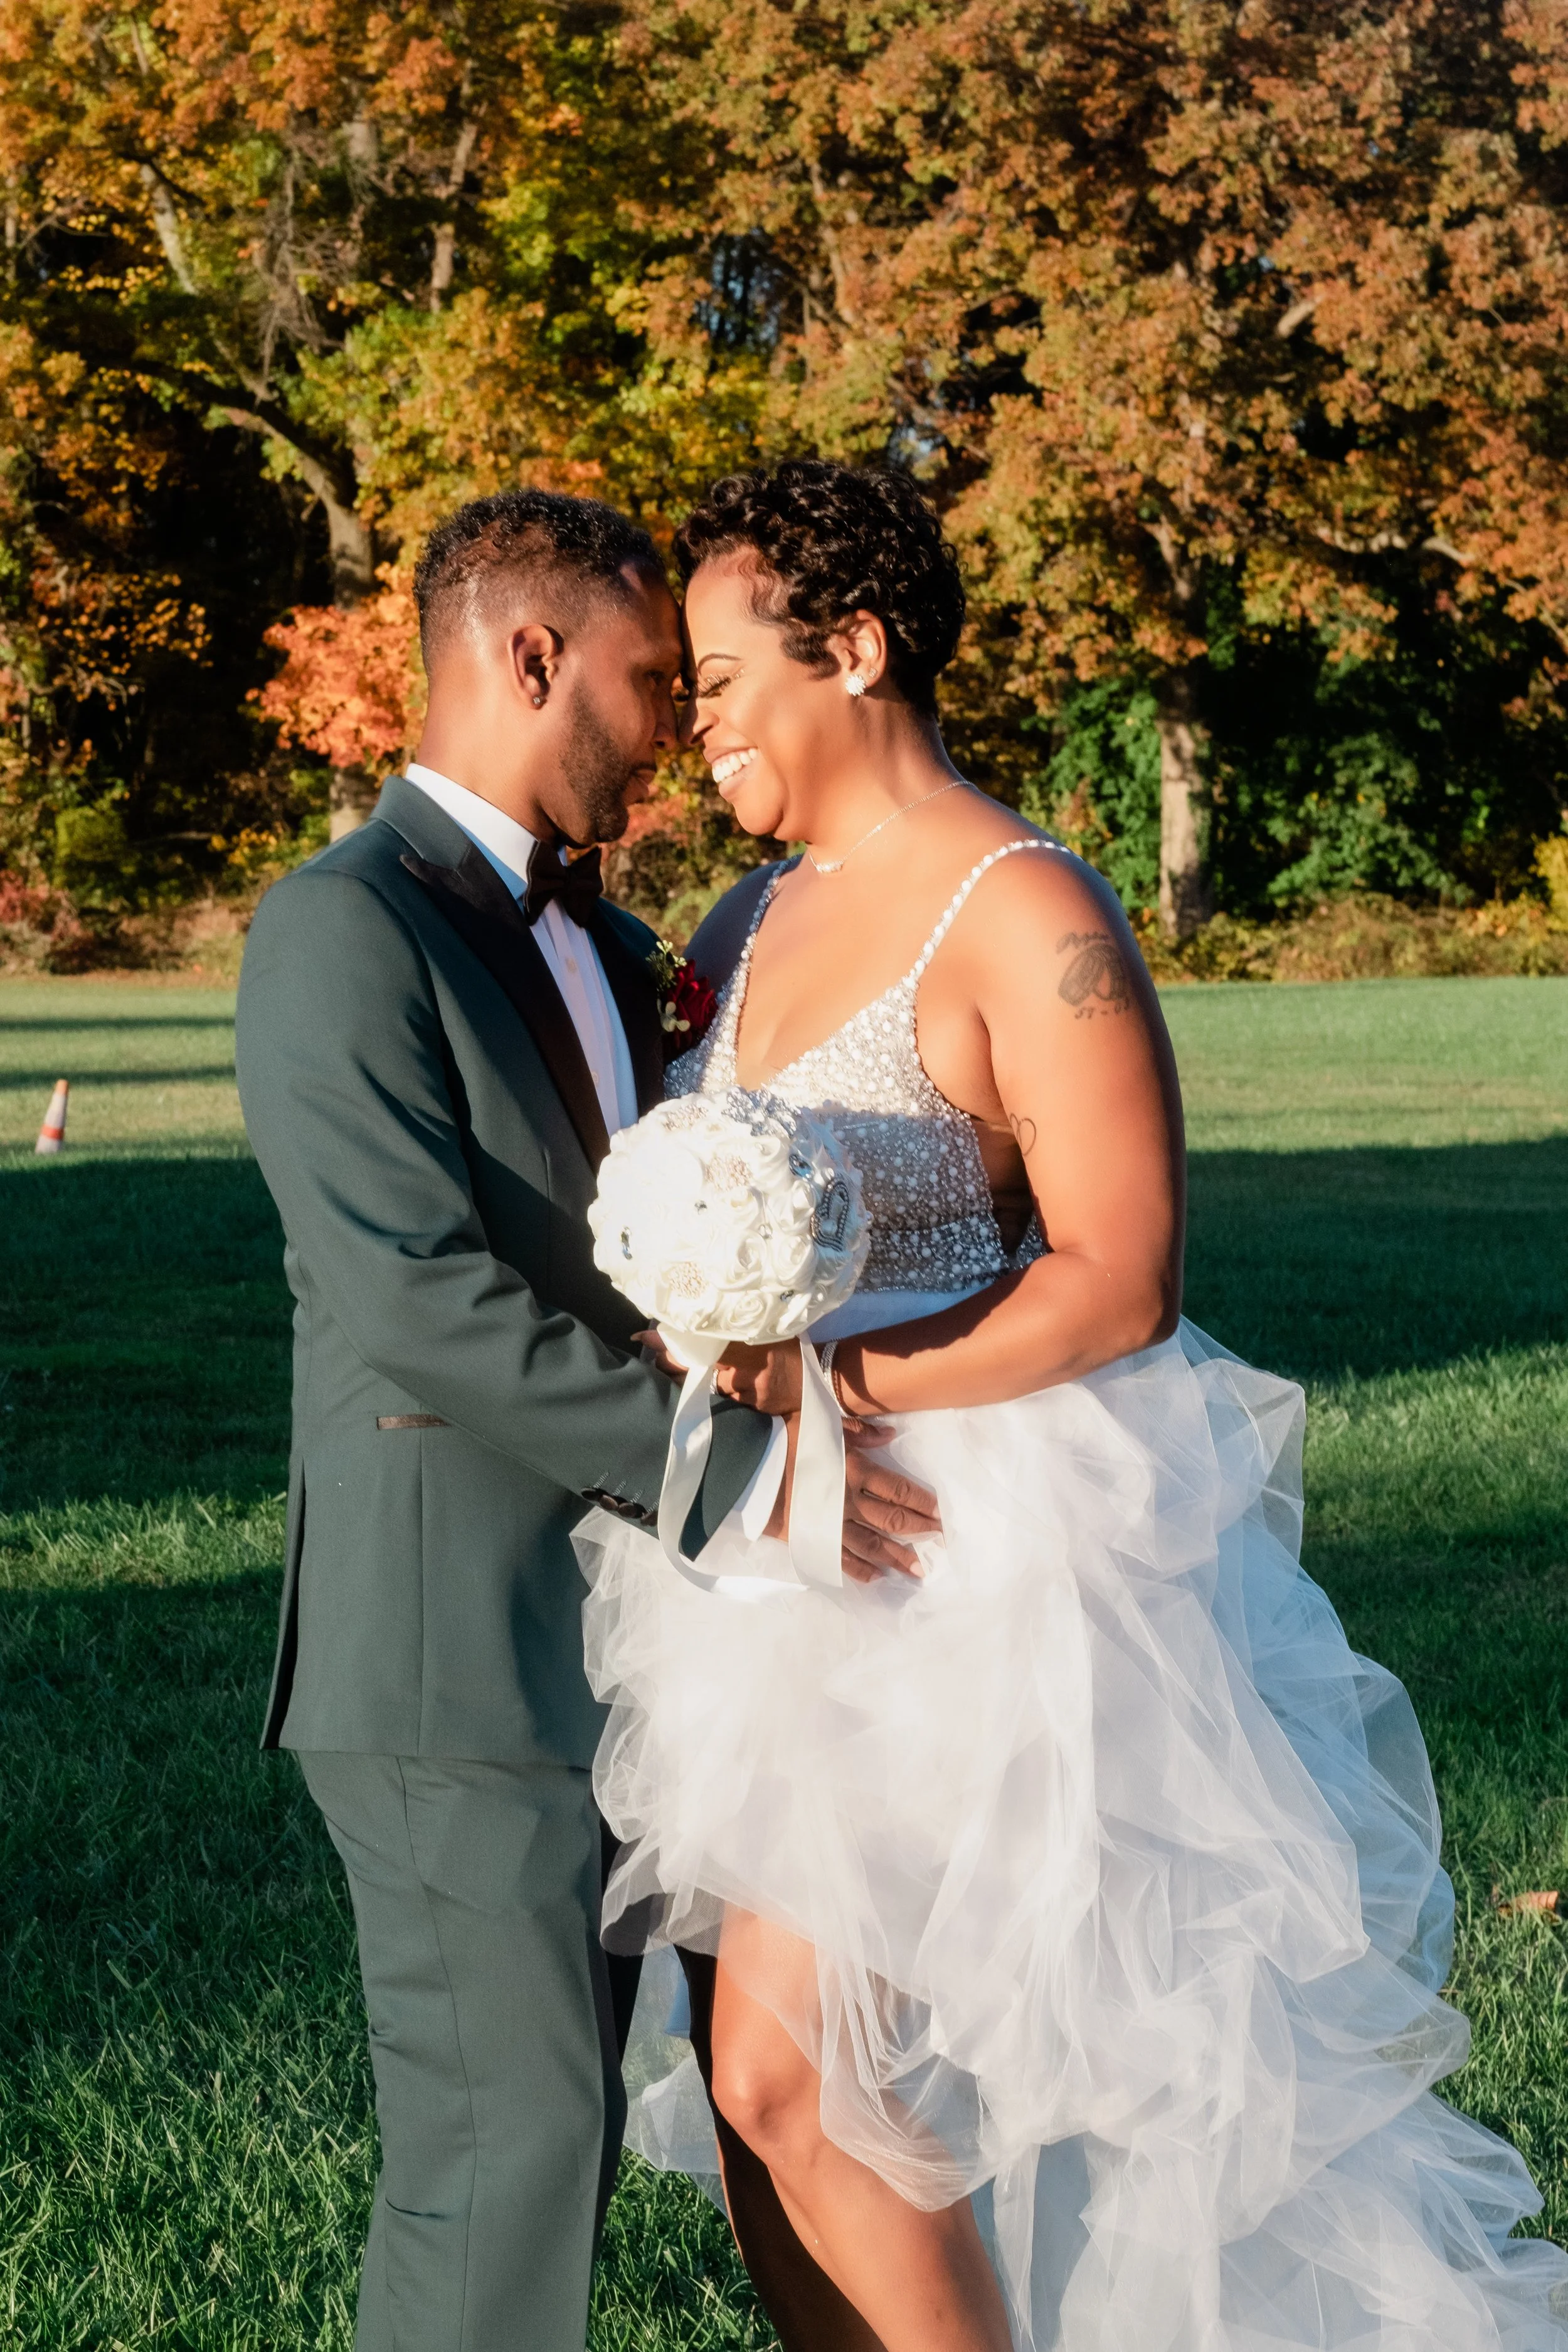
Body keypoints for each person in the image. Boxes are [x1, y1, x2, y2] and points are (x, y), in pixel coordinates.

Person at [577, 460, 1568, 2351]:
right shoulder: (750, 915)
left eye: (714, 672)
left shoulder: (1025, 910)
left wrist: (841, 1387)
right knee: (760, 2091)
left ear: (851, 650)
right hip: (766, 1548)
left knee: (851, 2080)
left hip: (973, 1547)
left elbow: (1121, 1270)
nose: (684, 713)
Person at [235, 487, 934, 2352]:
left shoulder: (618, 940)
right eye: (647, 679)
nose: (680, 730)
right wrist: (748, 1479)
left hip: (658, 1654)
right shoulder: (340, 930)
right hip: (456, 1650)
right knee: (508, 2150)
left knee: (783, 2094)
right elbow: (412, 1297)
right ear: (528, 658)